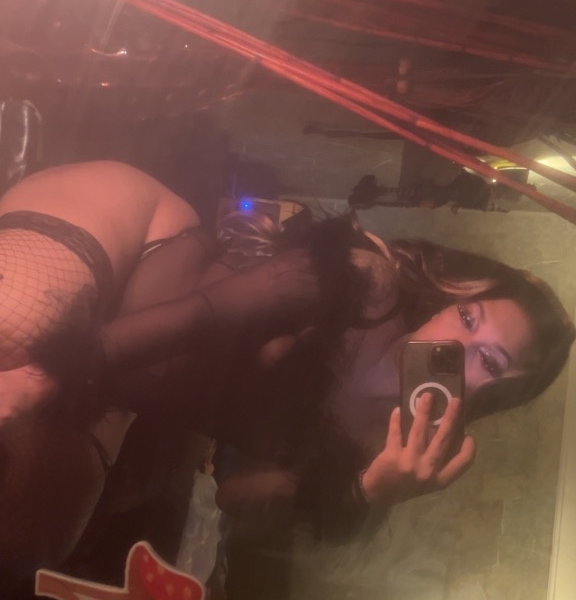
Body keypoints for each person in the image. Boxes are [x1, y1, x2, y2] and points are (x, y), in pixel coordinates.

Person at [0, 161, 573, 562]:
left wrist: (365, 493)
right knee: (14, 320)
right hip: (138, 245)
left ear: (495, 396)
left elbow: (232, 497)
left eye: (489, 361)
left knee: (26, 540)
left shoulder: (386, 447)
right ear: (450, 301)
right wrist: (49, 372)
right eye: (467, 318)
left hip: (113, 389)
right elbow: (203, 315)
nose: (456, 346)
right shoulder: (368, 288)